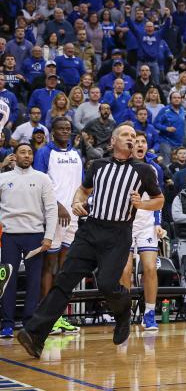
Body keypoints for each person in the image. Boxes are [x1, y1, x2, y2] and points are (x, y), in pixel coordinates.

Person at [17, 124, 164, 358]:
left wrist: (142, 205)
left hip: (118, 233)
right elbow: (84, 191)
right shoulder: (98, 166)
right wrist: (76, 202)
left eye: (134, 136)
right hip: (90, 230)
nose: (131, 139)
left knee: (107, 284)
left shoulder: (144, 170)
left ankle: (124, 311)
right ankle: (34, 334)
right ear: (113, 141)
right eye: (126, 135)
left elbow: (159, 199)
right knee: (64, 280)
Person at [32, 116, 83, 336]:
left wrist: (80, 204)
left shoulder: (75, 154)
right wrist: (59, 206)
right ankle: (45, 318)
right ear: (53, 131)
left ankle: (59, 317)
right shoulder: (45, 152)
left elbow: (81, 185)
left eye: (68, 129)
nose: (65, 131)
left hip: (74, 215)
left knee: (65, 268)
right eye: (61, 128)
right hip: (54, 214)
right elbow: (40, 183)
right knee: (49, 265)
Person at [0, 144, 57, 338]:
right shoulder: (3, 178)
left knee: (34, 282)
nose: (27, 155)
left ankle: (29, 324)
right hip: (9, 237)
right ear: (14, 155)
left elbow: (51, 209)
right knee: (7, 281)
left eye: (30, 152)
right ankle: (7, 324)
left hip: (35, 236)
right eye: (23, 152)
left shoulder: (42, 179)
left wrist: (49, 236)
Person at [120, 132, 165, 332]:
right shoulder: (121, 167)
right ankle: (125, 314)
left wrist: (157, 222)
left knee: (150, 268)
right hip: (125, 223)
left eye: (143, 142)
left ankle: (149, 313)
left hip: (147, 223)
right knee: (125, 271)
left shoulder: (155, 169)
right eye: (136, 141)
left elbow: (160, 199)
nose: (140, 144)